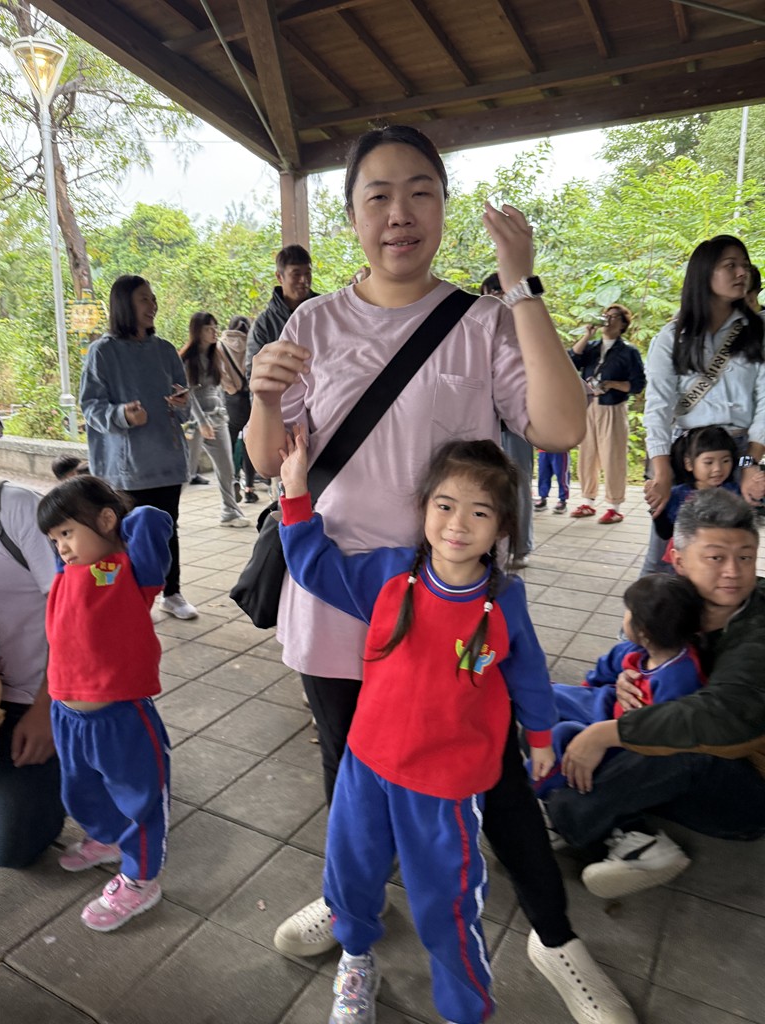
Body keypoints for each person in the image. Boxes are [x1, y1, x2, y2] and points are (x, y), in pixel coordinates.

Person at [248, 125, 635, 1024]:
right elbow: (273, 459)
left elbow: (559, 426)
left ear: (445, 207)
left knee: (494, 774)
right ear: (351, 215)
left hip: (456, 607)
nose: (399, 213)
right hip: (342, 600)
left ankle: (553, 937)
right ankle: (353, 914)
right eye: (378, 195)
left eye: (420, 191)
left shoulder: (482, 320)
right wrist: (262, 396)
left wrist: (519, 283)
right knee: (350, 769)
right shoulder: (314, 322)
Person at [280, 434, 556, 1024]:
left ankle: (464, 1008)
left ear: (502, 525)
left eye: (480, 512)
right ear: (424, 507)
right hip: (366, 767)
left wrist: (540, 738)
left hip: (446, 788)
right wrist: (296, 493)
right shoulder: (389, 576)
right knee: (350, 871)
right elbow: (314, 566)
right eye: (445, 505)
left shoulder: (505, 601)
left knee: (446, 904)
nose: (458, 524)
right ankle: (356, 957)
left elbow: (529, 673)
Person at [547, 488, 765, 900]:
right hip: (683, 753)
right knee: (564, 706)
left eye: (745, 557)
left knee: (685, 742)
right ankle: (628, 833)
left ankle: (571, 817)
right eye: (716, 557)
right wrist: (629, 679)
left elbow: (721, 716)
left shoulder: (756, 628)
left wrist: (609, 733)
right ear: (678, 561)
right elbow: (632, 654)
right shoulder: (678, 605)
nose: (733, 572)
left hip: (745, 793)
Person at [37, 475, 172, 932]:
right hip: (67, 714)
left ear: (108, 520)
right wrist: (80, 529)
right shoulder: (65, 573)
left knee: (141, 798)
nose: (61, 547)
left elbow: (151, 519)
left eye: (67, 532)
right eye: (54, 538)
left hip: (120, 716)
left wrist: (113, 520)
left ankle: (140, 879)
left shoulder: (132, 572)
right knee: (81, 790)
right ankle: (109, 838)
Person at [642, 236, 765, 574]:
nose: (742, 272)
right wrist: (662, 470)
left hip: (737, 452)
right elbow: (658, 407)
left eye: (744, 265)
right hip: (687, 455)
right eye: (730, 265)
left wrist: (749, 464)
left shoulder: (758, 332)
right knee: (666, 555)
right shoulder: (671, 337)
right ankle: (647, 611)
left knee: (729, 555)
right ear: (704, 273)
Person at [79, 274, 198, 620]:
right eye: (144, 298)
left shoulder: (165, 351)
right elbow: (90, 408)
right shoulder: (103, 352)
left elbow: (184, 405)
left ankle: (171, 592)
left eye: (152, 298)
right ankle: (129, 598)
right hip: (125, 469)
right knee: (126, 535)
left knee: (167, 530)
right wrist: (123, 415)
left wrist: (182, 404)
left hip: (167, 460)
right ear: (124, 304)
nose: (153, 304)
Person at [532, 574, 704, 799]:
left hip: (626, 742)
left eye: (629, 611)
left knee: (563, 734)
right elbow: (602, 672)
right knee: (550, 694)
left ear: (643, 631)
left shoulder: (678, 677)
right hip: (606, 706)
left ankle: (534, 785)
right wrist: (584, 691)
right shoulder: (634, 650)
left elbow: (660, 731)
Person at [0, 432, 65, 867]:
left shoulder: (18, 510)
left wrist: (46, 709)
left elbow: (79, 619)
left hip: (36, 694)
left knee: (12, 847)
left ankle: (95, 754)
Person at [569, 304, 645, 524]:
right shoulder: (592, 347)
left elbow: (637, 384)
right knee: (587, 454)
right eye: (606, 316)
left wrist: (612, 384)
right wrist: (587, 334)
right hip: (589, 406)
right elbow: (572, 359)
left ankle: (614, 506)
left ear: (622, 324)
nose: (608, 320)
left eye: (614, 317)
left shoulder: (628, 351)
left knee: (612, 456)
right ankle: (587, 501)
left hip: (613, 407)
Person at [481, 273, 534, 567]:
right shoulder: (481, 327)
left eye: (497, 293)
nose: (492, 300)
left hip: (518, 425)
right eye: (487, 295)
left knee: (518, 484)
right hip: (489, 423)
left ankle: (520, 547)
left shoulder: (525, 326)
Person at [180, 312, 250, 528]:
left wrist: (221, 413)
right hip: (194, 422)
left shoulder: (215, 355)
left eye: (215, 327)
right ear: (197, 331)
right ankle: (168, 510)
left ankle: (230, 512)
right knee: (188, 470)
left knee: (226, 467)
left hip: (217, 417)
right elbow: (188, 394)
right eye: (208, 328)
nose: (214, 332)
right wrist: (201, 422)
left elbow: (219, 389)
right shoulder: (186, 359)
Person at [651, 425, 746, 566]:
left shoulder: (734, 492)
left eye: (726, 461)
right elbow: (665, 533)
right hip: (687, 564)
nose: (718, 469)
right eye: (709, 462)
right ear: (689, 464)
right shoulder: (677, 495)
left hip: (724, 561)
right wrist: (656, 508)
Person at [245, 244, 318, 375]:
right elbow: (254, 373)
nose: (304, 280)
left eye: (308, 273)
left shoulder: (323, 310)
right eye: (296, 274)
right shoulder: (264, 325)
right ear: (279, 277)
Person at [218, 315, 259, 504]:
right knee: (250, 442)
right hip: (251, 398)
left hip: (232, 400)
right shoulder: (253, 341)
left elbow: (219, 373)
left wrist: (231, 389)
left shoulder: (221, 345)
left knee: (230, 442)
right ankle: (249, 489)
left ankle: (231, 481)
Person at [534, 447, 571, 514]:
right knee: (543, 475)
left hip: (560, 450)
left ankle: (562, 500)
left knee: (562, 476)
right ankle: (543, 498)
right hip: (543, 450)